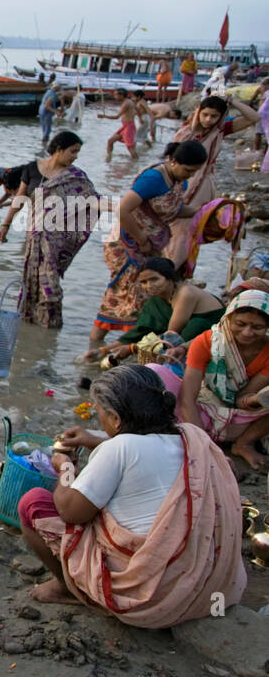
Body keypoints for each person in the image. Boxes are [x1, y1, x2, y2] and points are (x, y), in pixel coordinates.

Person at [18, 365, 244, 622]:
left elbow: (70, 511)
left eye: (100, 413)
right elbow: (144, 450)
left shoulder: (119, 449)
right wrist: (92, 438)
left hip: (149, 597)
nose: (98, 418)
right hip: (204, 586)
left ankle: (67, 587)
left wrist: (66, 468)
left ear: (115, 419)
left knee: (32, 503)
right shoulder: (192, 436)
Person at [89, 141, 209, 353]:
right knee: (129, 293)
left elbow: (173, 210)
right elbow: (122, 210)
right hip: (127, 244)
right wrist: (142, 239)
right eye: (187, 170)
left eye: (194, 172)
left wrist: (204, 211)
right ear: (173, 161)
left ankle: (126, 347)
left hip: (151, 246)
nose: (189, 175)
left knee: (144, 297)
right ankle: (101, 346)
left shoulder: (178, 181)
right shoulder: (153, 178)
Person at [0, 132, 100, 328]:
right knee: (31, 278)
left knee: (50, 281)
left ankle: (51, 324)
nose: (75, 156)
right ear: (59, 150)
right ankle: (32, 327)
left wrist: (121, 208)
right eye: (73, 151)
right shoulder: (32, 169)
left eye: (77, 152)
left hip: (56, 240)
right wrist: (5, 224)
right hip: (34, 236)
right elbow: (20, 199)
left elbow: (92, 201)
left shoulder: (76, 178)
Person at [161, 291, 269, 467]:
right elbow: (188, 399)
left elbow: (241, 400)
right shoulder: (207, 342)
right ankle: (204, 442)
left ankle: (243, 443)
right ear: (228, 318)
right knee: (156, 373)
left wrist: (257, 399)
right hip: (204, 409)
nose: (247, 332)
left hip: (242, 418)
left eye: (257, 328)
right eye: (240, 324)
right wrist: (206, 448)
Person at [98, 257, 223, 361]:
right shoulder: (159, 300)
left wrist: (132, 348)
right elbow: (142, 330)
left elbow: (171, 337)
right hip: (180, 330)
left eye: (154, 279)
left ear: (169, 277)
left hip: (211, 332)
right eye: (144, 282)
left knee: (194, 326)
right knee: (153, 306)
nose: (149, 286)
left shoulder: (185, 293)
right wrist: (104, 350)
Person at [171, 94, 261, 216]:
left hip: (204, 181)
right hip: (182, 178)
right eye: (205, 115)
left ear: (221, 117)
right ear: (198, 112)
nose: (208, 120)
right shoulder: (186, 132)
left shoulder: (219, 130)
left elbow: (254, 117)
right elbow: (172, 160)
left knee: (198, 218)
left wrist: (232, 101)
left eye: (214, 116)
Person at [99, 89, 138, 160]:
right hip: (126, 126)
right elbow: (136, 111)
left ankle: (136, 162)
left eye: (116, 95)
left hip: (128, 128)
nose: (114, 97)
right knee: (110, 141)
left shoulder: (126, 103)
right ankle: (108, 158)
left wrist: (104, 116)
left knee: (130, 147)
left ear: (121, 95)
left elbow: (116, 117)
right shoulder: (130, 102)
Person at [38, 83, 61, 148]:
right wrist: (56, 112)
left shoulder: (48, 92)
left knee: (44, 128)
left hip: (41, 111)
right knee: (47, 130)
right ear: (56, 88)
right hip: (46, 113)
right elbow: (47, 106)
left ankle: (43, 145)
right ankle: (45, 146)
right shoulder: (52, 95)